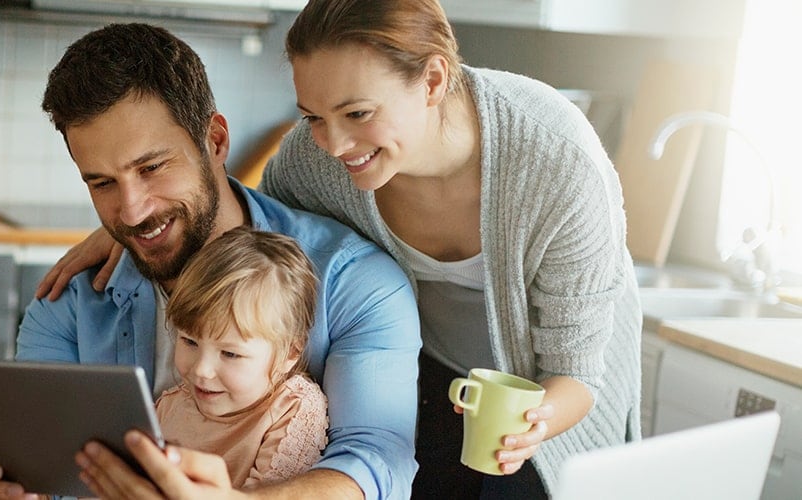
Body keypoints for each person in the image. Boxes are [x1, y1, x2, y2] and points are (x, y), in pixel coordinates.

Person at [37, 0, 643, 498]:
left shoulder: (555, 164)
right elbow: (255, 236)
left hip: (546, 391)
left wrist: (527, 424)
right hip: (434, 374)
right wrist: (133, 225)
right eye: (313, 117)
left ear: (432, 80)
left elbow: (577, 372)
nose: (333, 143)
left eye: (356, 112)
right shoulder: (317, 155)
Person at [0, 22, 423, 500]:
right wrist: (8, 485)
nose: (133, 210)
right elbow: (50, 472)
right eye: (102, 183)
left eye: (152, 167)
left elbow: (377, 465)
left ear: (216, 141)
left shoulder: (355, 282)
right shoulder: (68, 307)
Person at [159, 226, 329, 488]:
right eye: (189, 341)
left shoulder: (291, 409)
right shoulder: (169, 406)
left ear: (291, 353)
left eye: (230, 353)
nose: (202, 370)